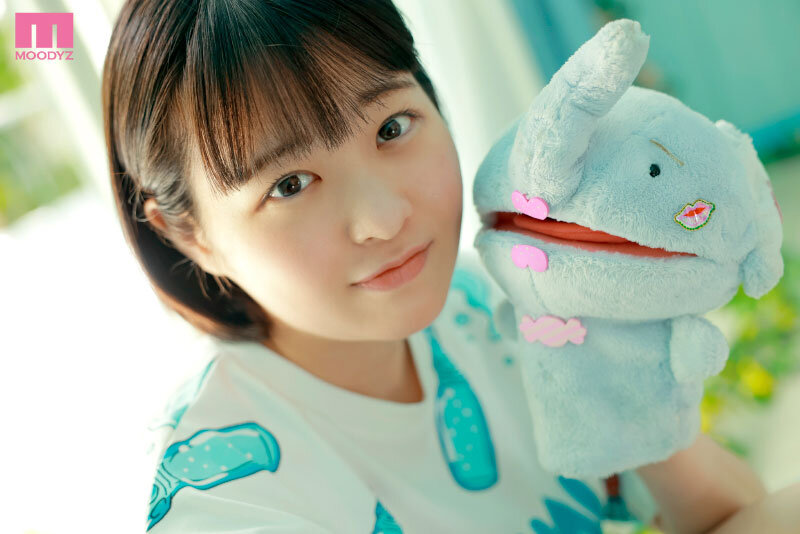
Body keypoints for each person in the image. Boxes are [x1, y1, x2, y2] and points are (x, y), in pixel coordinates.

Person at [102, 1, 787, 533]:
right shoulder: (232, 496)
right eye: (288, 185)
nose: (383, 218)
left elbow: (727, 515)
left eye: (391, 128)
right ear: (190, 236)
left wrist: (624, 367)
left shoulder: (491, 304)